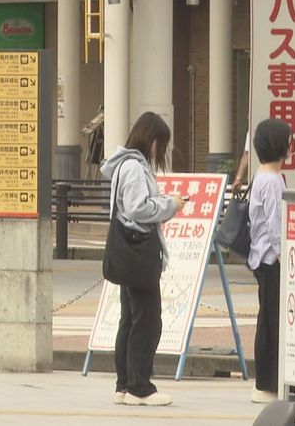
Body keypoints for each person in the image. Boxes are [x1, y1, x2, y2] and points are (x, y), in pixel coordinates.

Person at [99, 112, 184, 407]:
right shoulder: (135, 167)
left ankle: (124, 385)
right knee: (147, 321)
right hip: (139, 252)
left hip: (127, 253)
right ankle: (139, 386)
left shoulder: (125, 165)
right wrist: (170, 205)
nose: (161, 152)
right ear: (152, 140)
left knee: (130, 320)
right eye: (161, 144)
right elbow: (138, 209)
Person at [246, 118, 292, 404]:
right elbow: (277, 225)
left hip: (258, 257)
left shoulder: (260, 175)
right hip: (271, 259)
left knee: (267, 319)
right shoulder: (273, 180)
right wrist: (285, 257)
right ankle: (267, 383)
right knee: (273, 323)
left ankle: (265, 382)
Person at [232, 128, 295, 193]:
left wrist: (238, 179)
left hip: (267, 180)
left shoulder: (260, 128)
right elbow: (248, 153)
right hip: (277, 183)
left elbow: (247, 153)